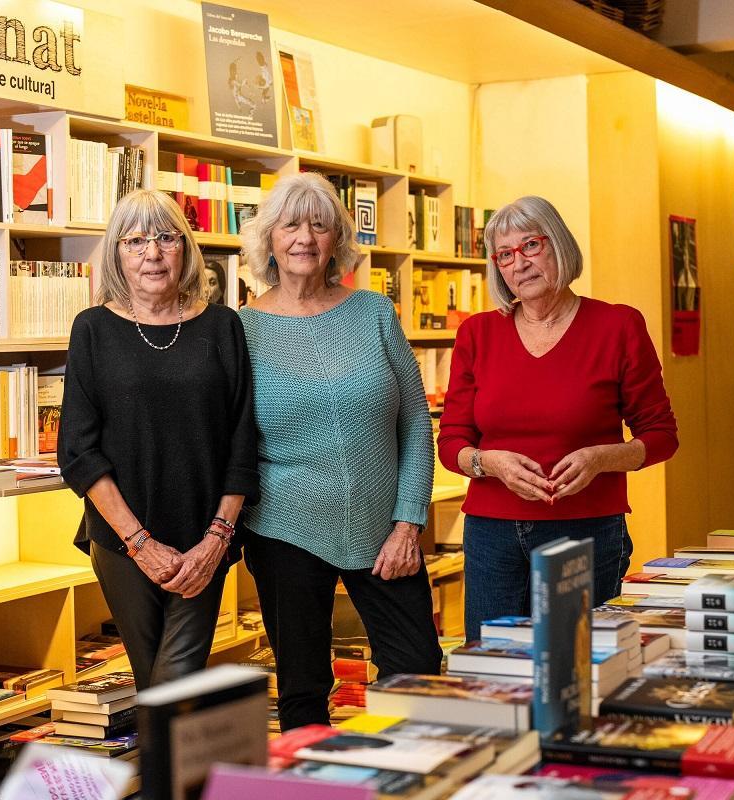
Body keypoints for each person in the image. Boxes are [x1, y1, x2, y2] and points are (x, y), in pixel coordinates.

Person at [239, 172, 441, 731]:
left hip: (385, 531)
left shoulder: (375, 313)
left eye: (320, 225)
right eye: (290, 224)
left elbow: (416, 424)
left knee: (417, 672)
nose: (305, 237)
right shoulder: (241, 329)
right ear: (269, 240)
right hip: (283, 528)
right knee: (304, 689)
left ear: (337, 241)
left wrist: (408, 522)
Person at [437, 195, 678, 639]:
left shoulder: (618, 326)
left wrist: (601, 458)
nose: (520, 264)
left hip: (585, 533)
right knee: (492, 677)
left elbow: (661, 435)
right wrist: (488, 463)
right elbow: (452, 442)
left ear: (559, 246)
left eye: (531, 245)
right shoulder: (477, 333)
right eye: (505, 255)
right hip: (491, 537)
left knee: (577, 673)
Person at [57, 189, 259, 690]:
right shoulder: (93, 330)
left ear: (185, 249)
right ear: (116, 254)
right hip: (122, 541)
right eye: (136, 240)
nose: (152, 253)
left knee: (174, 685)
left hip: (205, 540)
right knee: (156, 687)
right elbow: (78, 451)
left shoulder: (222, 326)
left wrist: (217, 538)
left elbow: (243, 441)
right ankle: (165, 770)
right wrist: (139, 543)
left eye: (166, 238)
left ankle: (165, 769)